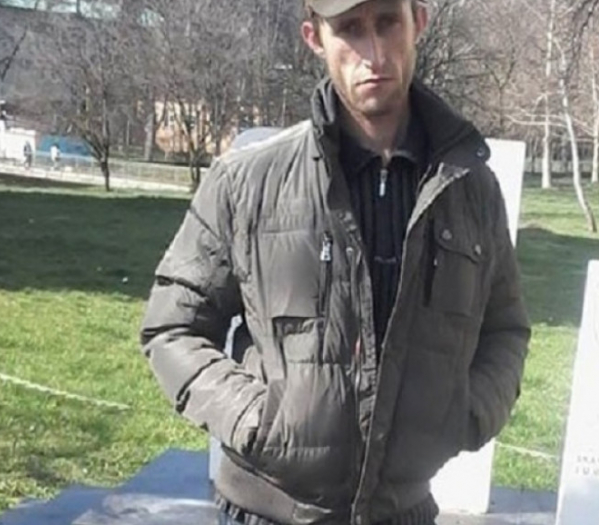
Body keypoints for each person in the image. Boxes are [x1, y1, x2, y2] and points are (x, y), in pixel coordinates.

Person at [138, 1, 530, 524]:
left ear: (418, 22)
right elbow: (172, 328)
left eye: (387, 22)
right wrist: (257, 422)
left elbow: (505, 330)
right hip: (267, 511)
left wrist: (465, 418)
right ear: (314, 38)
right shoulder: (245, 183)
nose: (374, 53)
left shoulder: (471, 190)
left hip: (403, 511)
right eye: (349, 29)